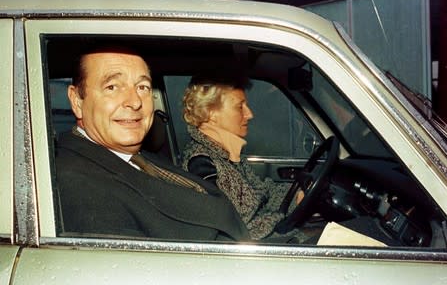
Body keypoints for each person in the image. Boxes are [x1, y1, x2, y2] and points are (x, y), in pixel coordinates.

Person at [55, 45, 250, 242]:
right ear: (77, 101)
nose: (135, 102)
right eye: (112, 87)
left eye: (142, 87)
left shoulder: (140, 158)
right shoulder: (78, 187)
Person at [182, 75, 305, 240]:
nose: (249, 114)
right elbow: (236, 231)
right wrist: (281, 217)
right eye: (240, 107)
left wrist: (297, 196)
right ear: (211, 113)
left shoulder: (225, 154)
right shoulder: (202, 166)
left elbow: (262, 193)